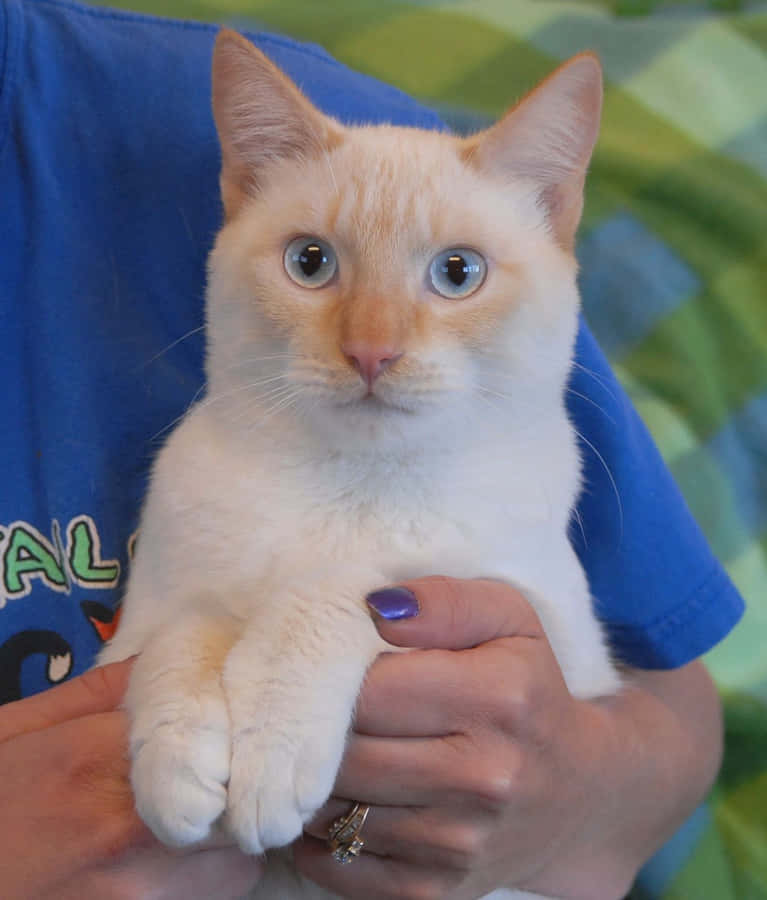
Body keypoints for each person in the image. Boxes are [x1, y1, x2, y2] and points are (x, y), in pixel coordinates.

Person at [0, 0, 743, 897]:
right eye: (312, 264)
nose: (373, 340)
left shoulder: (522, 422)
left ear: (553, 207)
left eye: (454, 275)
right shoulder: (202, 468)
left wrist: (567, 806)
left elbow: (664, 718)